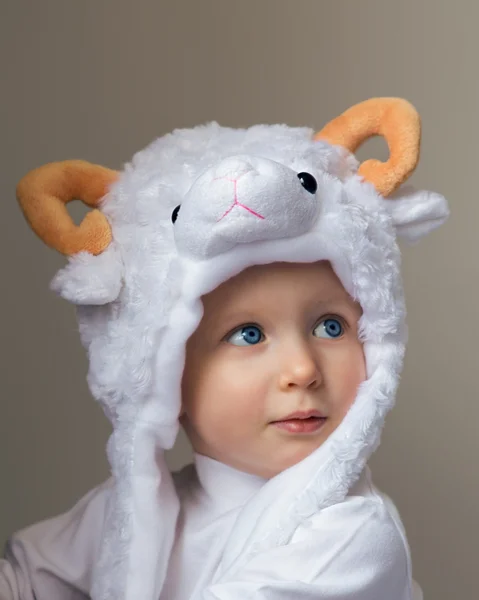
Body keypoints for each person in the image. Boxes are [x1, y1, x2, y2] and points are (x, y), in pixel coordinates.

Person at [1, 97, 449, 600]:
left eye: (330, 325)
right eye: (249, 334)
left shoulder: (353, 538)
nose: (302, 370)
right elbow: (23, 577)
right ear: (161, 373)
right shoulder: (129, 513)